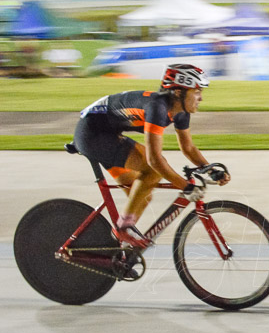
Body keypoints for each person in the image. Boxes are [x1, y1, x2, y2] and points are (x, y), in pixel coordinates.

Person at [73, 63, 230, 247]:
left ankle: (117, 253)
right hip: (92, 133)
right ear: (179, 92)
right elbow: (154, 160)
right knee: (152, 171)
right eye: (196, 91)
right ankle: (123, 230)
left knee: (142, 194)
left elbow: (188, 147)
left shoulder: (180, 112)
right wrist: (186, 187)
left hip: (106, 133)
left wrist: (210, 171)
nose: (201, 98)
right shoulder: (158, 108)